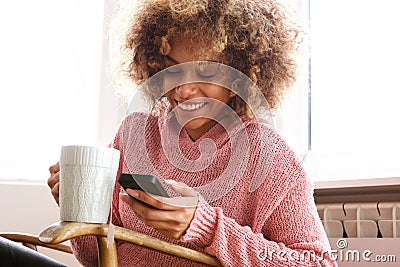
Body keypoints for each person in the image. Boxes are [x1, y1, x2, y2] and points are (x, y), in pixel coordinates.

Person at [48, 0, 337, 266]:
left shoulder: (271, 157)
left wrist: (206, 227)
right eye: (172, 70)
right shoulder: (135, 134)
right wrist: (80, 207)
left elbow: (317, 263)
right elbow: (97, 259)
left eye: (206, 72)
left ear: (242, 72)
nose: (184, 89)